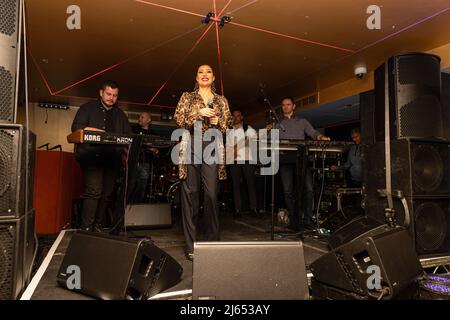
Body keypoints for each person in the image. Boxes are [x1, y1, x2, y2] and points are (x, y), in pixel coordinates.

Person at [174, 64, 232, 261]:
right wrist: (199, 113)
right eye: (200, 72)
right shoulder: (187, 97)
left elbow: (227, 125)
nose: (204, 74)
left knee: (211, 194)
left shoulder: (221, 100)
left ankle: (212, 244)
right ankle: (191, 246)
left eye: (208, 72)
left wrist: (218, 123)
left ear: (214, 77)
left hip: (212, 146)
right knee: (191, 196)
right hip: (191, 143)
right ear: (196, 77)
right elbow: (179, 120)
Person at [71, 80, 132, 231]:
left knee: (106, 194)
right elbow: (76, 128)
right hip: (91, 158)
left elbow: (128, 136)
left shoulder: (120, 114)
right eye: (108, 94)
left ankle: (97, 226)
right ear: (101, 93)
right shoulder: (87, 108)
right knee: (94, 191)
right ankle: (86, 228)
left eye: (115, 95)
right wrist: (94, 131)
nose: (111, 98)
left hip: (112, 159)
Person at [274, 96, 330, 231]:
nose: (285, 107)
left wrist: (320, 137)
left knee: (309, 188)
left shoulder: (302, 121)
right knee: (287, 190)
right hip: (285, 159)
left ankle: (308, 220)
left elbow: (313, 133)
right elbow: (270, 139)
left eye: (288, 104)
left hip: (301, 158)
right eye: (283, 105)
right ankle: (294, 219)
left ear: (293, 106)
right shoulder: (277, 123)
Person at [227, 109, 259, 217]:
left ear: (241, 117)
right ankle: (237, 209)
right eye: (234, 116)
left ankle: (253, 209)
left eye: (238, 116)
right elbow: (228, 146)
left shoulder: (247, 129)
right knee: (235, 185)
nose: (235, 118)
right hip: (234, 161)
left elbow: (255, 138)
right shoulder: (229, 131)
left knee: (250, 184)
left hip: (247, 159)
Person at [129, 111, 159, 203]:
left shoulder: (153, 134)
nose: (139, 119)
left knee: (142, 186)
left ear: (148, 120)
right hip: (134, 162)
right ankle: (126, 206)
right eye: (139, 117)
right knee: (131, 185)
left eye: (142, 117)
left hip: (146, 164)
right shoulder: (134, 130)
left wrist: (155, 150)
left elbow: (156, 149)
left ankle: (137, 206)